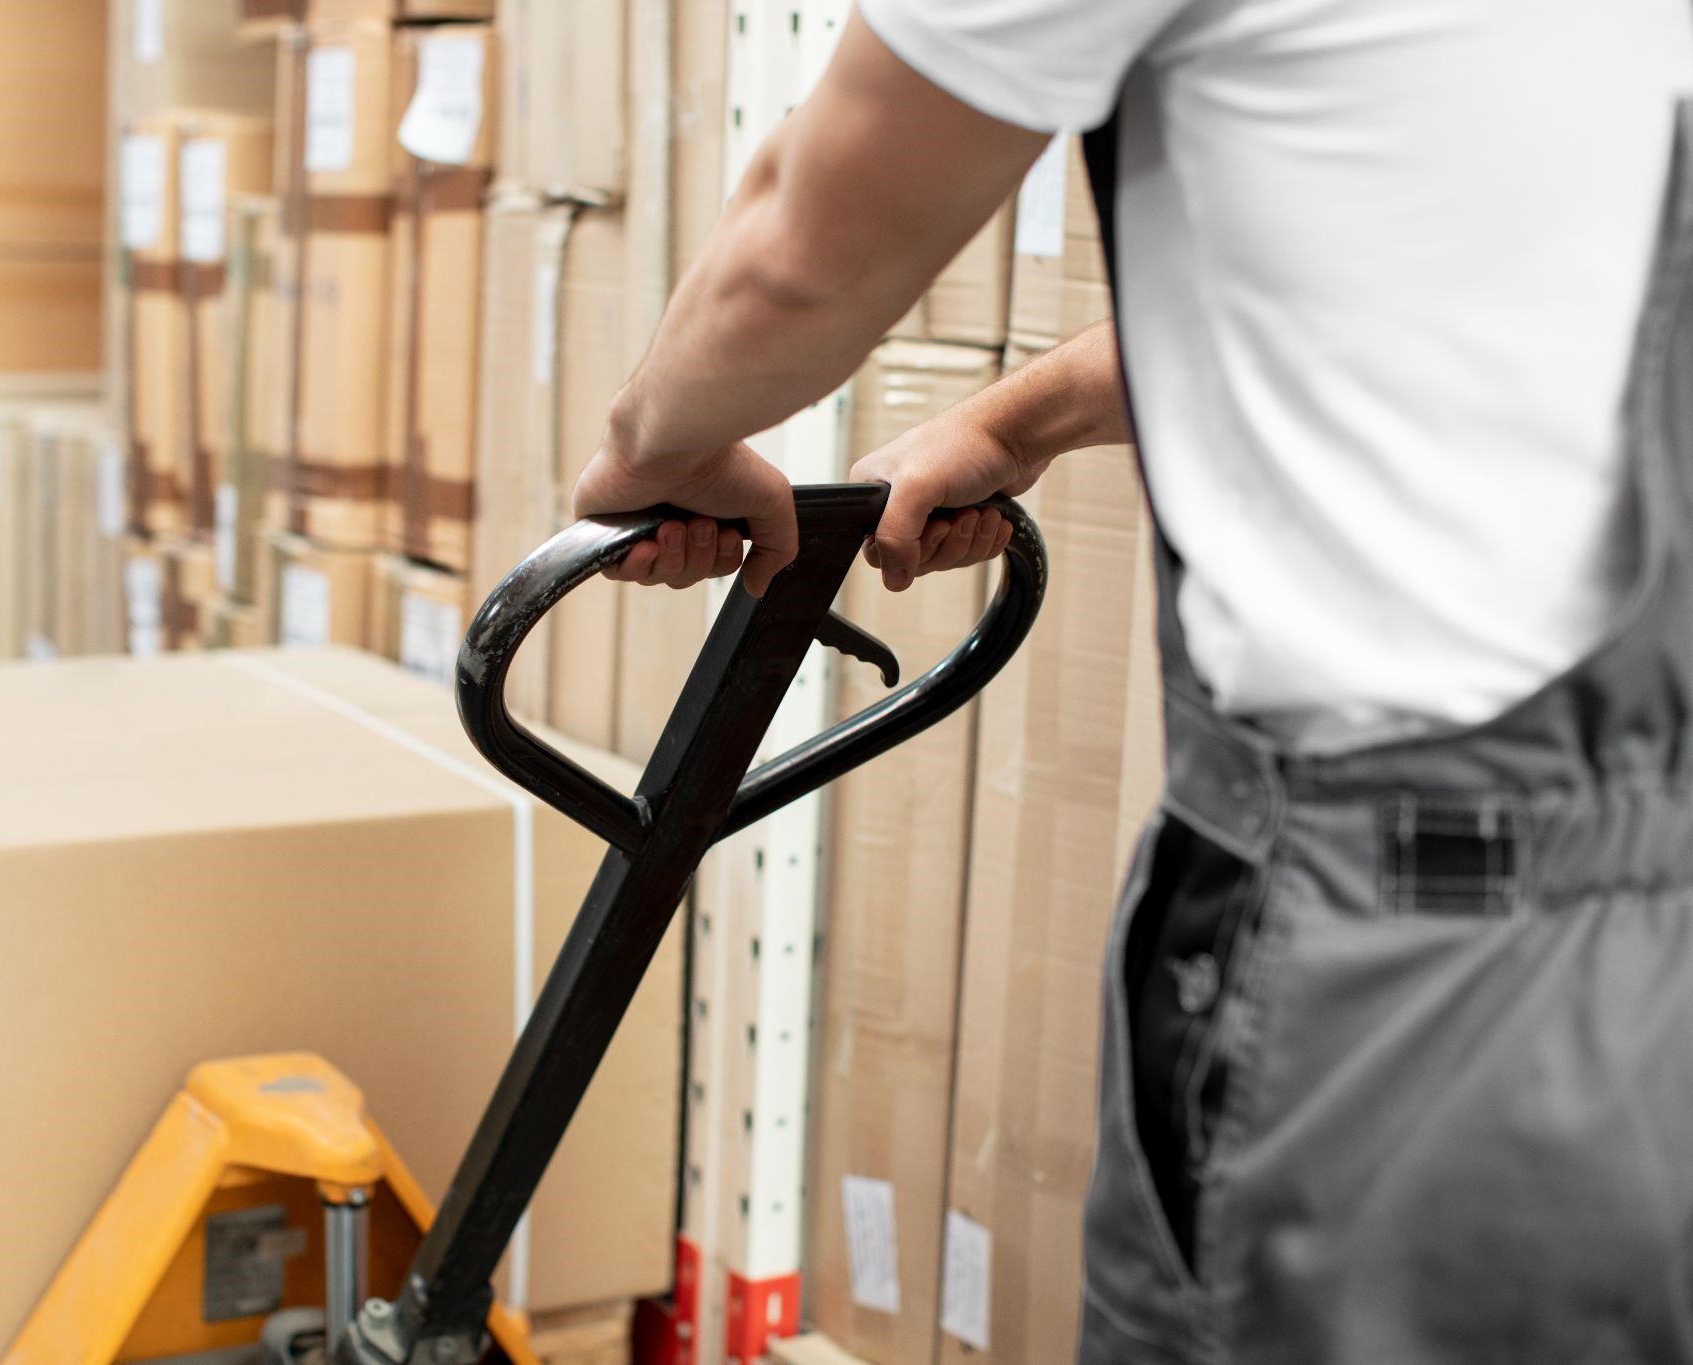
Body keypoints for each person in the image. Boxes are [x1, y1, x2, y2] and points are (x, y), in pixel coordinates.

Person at [572, 2, 1693, 1361]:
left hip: (1400, 972)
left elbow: (802, 252)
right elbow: (1429, 271)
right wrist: (1013, 421)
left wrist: (656, 450)